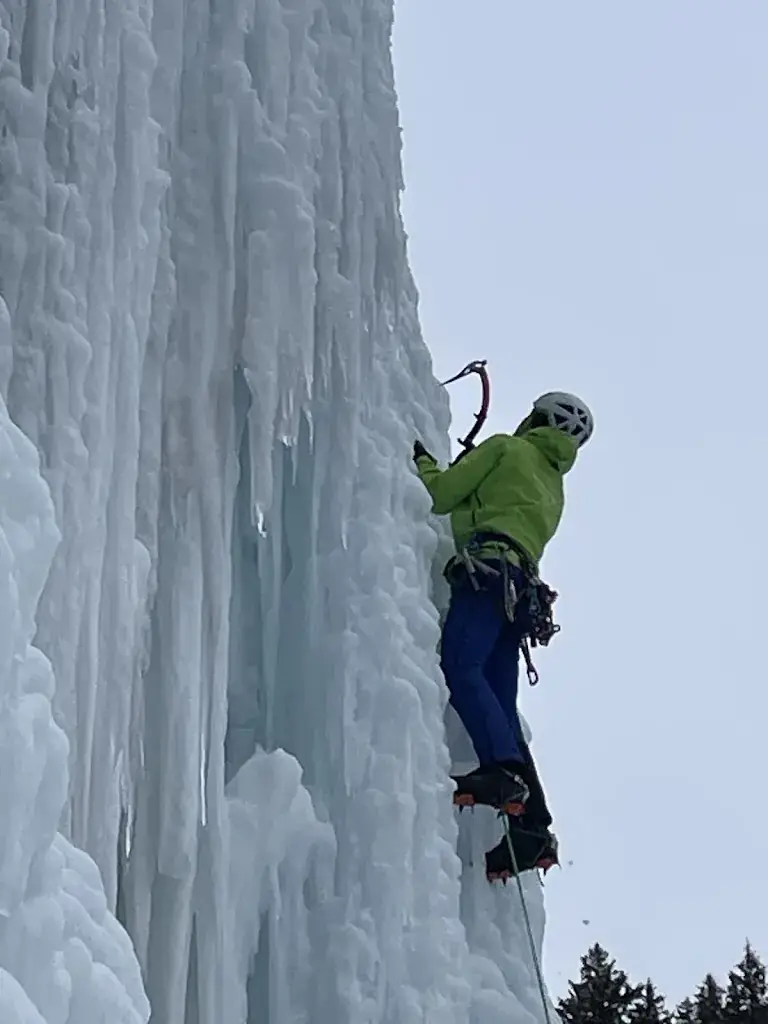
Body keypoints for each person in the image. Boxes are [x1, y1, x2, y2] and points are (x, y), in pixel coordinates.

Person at [413, 391, 593, 879]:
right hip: (520, 592)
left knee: (460, 666)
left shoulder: (506, 448)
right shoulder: (554, 487)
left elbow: (440, 495)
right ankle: (533, 826)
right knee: (498, 701)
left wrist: (424, 462)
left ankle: (504, 774)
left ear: (536, 418)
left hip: (488, 573)